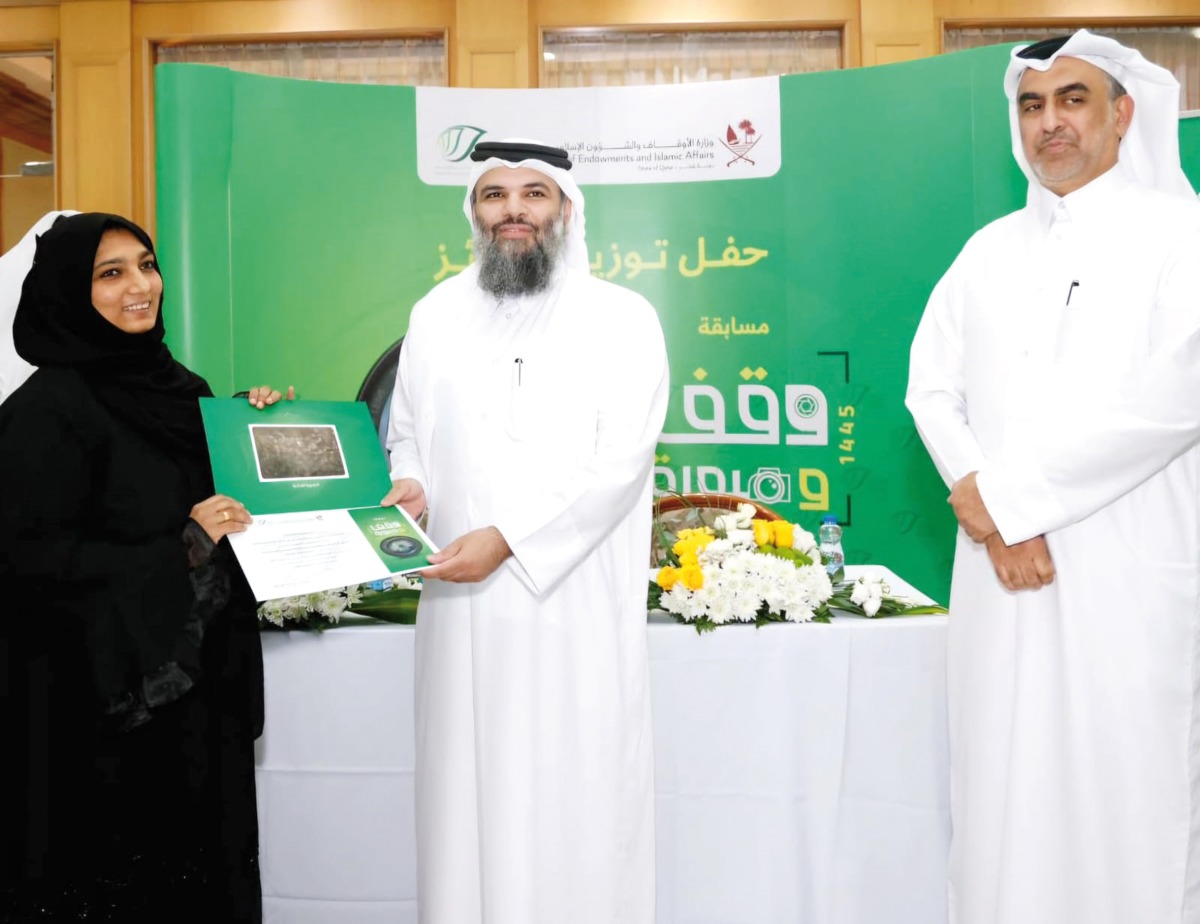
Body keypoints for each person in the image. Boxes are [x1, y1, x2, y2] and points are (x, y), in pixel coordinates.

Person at [907, 30, 1200, 923]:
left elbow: (1174, 395)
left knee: (1129, 791)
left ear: (1123, 113)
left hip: (1127, 571)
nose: (1050, 122)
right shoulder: (987, 249)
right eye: (1031, 105)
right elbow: (931, 385)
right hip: (1003, 576)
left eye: (1072, 99)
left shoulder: (1180, 234)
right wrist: (990, 507)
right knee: (1001, 786)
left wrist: (1009, 500)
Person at [383, 140, 669, 923]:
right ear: (473, 214)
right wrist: (408, 482)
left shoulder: (621, 318)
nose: (513, 210)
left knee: (570, 792)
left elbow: (621, 462)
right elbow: (406, 430)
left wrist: (508, 538)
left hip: (566, 609)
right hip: (456, 611)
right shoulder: (434, 313)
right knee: (462, 799)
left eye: (534, 194)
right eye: (494, 195)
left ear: (567, 211)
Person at [0, 213, 289, 921]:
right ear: (68, 291)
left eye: (147, 264)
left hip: (194, 699)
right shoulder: (44, 412)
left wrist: (251, 432)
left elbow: (218, 508)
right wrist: (182, 546)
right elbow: (28, 566)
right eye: (111, 273)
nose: (142, 286)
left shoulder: (184, 394)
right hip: (98, 723)